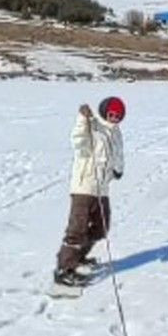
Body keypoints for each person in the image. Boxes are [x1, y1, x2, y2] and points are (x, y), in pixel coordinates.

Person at [53, 96, 125, 287]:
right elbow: (78, 142)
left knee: (101, 228)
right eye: (112, 114)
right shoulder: (93, 127)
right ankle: (64, 270)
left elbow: (118, 154)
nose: (115, 118)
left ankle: (78, 257)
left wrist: (118, 169)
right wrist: (82, 119)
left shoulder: (116, 133)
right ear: (104, 112)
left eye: (119, 116)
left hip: (102, 189)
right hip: (84, 187)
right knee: (77, 230)